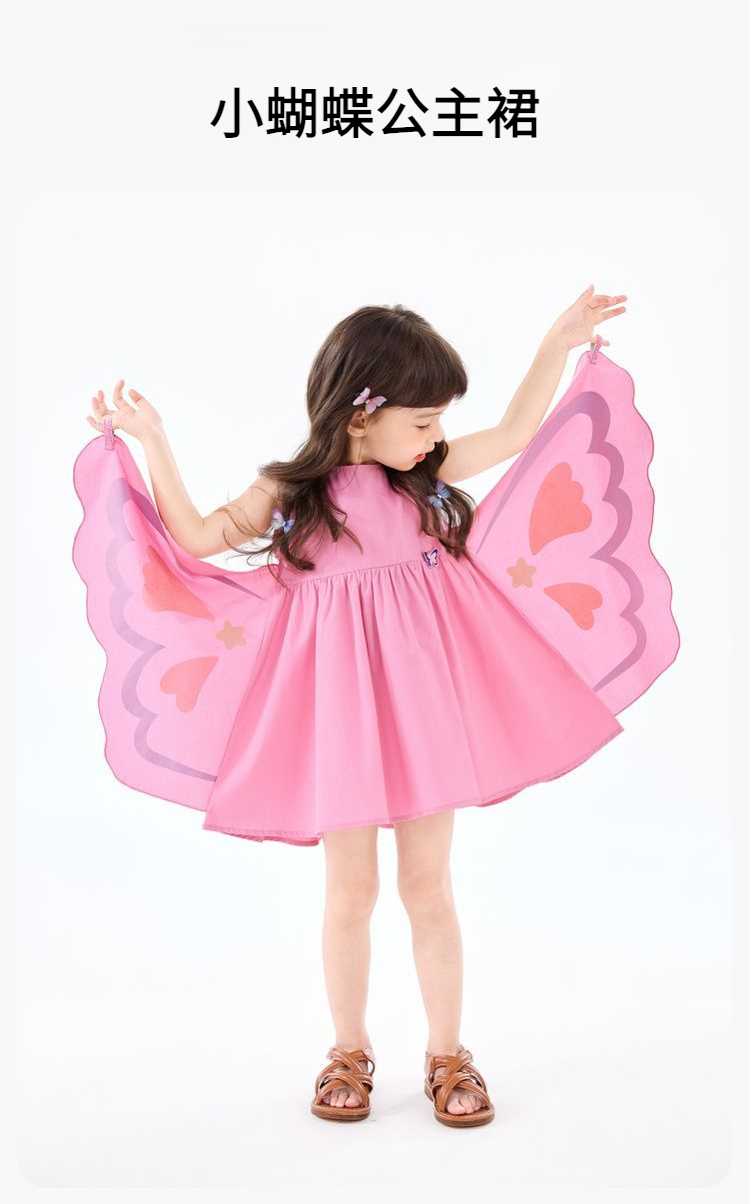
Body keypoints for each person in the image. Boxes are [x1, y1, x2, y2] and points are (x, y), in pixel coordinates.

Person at [73, 289, 679, 1127]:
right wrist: (153, 442)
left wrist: (558, 342)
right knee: (349, 891)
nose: (435, 436)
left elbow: (513, 434)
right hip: (337, 719)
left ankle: (448, 1052)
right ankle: (348, 1050)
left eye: (439, 422)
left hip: (425, 709)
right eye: (423, 420)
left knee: (428, 887)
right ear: (362, 415)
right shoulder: (293, 493)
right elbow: (200, 538)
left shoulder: (422, 478)